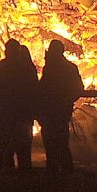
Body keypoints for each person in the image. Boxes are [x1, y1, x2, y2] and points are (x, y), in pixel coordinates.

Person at [0, 39, 38, 175]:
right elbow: (35, 91)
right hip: (22, 116)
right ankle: (24, 181)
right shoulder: (28, 71)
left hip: (2, 115)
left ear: (6, 52)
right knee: (23, 151)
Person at [37, 40, 84, 173]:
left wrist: (65, 100)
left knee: (54, 141)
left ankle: (58, 170)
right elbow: (78, 89)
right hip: (58, 111)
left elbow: (76, 89)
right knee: (60, 141)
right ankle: (63, 170)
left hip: (54, 111)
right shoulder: (67, 68)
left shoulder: (55, 68)